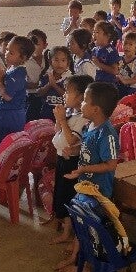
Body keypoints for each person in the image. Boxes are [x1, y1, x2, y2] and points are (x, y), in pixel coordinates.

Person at [57, 82, 120, 272]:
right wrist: (73, 150)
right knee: (81, 223)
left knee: (92, 230)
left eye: (85, 100)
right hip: (85, 186)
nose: (81, 104)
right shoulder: (90, 126)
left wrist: (83, 168)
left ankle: (87, 267)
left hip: (98, 191)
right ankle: (75, 257)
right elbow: (86, 146)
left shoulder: (107, 134)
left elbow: (111, 164)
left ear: (96, 109)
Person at [49, 74, 92, 245]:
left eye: (68, 92)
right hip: (62, 159)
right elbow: (58, 132)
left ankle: (70, 233)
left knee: (69, 197)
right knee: (61, 195)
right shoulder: (72, 113)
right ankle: (65, 228)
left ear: (81, 97)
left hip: (71, 163)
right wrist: (59, 120)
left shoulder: (83, 119)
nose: (64, 95)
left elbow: (71, 140)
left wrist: (62, 120)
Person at [0, 35, 35, 146]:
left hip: (12, 114)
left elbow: (8, 96)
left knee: (9, 143)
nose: (6, 54)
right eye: (7, 50)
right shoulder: (12, 69)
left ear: (22, 58)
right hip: (5, 112)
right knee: (2, 140)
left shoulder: (18, 73)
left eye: (11, 53)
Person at [37, 46, 73, 120]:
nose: (59, 64)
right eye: (56, 60)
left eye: (63, 60)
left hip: (64, 118)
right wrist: (49, 84)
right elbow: (39, 93)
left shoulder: (71, 79)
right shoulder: (46, 76)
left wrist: (54, 85)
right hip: (46, 116)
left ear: (68, 63)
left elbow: (69, 97)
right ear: (50, 62)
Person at [26, 29, 51, 121]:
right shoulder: (24, 62)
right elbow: (20, 83)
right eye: (31, 44)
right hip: (31, 97)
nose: (34, 47)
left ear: (45, 45)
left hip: (48, 97)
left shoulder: (50, 60)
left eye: (37, 44)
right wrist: (38, 85)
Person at [116, 32, 136, 97]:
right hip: (119, 87)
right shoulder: (119, 58)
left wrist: (126, 81)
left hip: (131, 90)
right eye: (125, 43)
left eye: (130, 44)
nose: (127, 46)